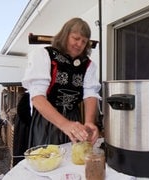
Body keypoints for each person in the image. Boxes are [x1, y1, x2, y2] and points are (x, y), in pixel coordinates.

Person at [22, 17, 101, 148]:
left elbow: (90, 94)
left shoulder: (88, 65)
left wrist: (89, 123)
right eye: (76, 38)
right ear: (65, 35)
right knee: (48, 159)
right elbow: (37, 97)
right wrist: (65, 124)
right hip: (47, 119)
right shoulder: (44, 55)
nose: (79, 44)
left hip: (73, 118)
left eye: (84, 41)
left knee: (73, 159)